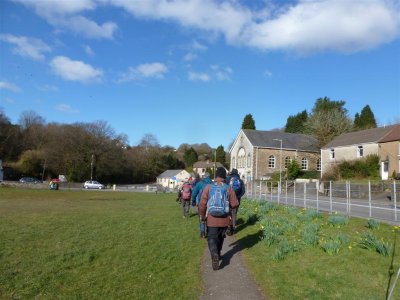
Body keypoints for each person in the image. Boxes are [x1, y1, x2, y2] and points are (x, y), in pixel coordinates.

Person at [198, 167, 239, 270]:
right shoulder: (228, 188)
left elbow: (202, 204)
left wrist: (202, 216)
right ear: (224, 176)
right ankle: (218, 253)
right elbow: (235, 204)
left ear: (215, 176)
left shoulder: (208, 187)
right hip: (224, 220)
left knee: (211, 238)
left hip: (211, 220)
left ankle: (214, 253)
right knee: (220, 237)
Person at [191, 172, 213, 237]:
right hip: (210, 204)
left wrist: (193, 201)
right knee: (209, 217)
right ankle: (209, 231)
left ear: (204, 177)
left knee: (201, 217)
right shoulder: (213, 184)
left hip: (201, 203)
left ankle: (202, 232)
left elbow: (194, 193)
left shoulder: (199, 184)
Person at [226, 168, 246, 235]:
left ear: (231, 173)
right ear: (237, 173)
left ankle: (228, 227)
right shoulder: (240, 180)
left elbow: (225, 188)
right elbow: (243, 191)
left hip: (228, 199)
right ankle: (234, 228)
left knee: (228, 213)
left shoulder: (228, 179)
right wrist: (238, 196)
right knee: (234, 213)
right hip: (237, 200)